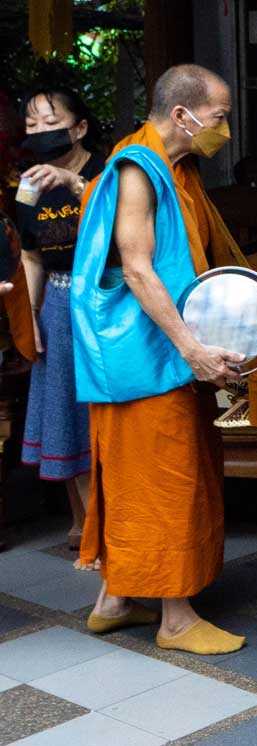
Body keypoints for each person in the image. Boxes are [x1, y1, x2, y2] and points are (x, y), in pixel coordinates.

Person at [74, 64, 248, 655]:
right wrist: (192, 349)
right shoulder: (139, 170)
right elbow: (139, 267)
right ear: (183, 115)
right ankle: (175, 619)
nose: (225, 128)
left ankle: (115, 598)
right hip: (149, 356)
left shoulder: (172, 165)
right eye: (220, 117)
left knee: (136, 477)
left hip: (153, 352)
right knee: (167, 479)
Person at [16, 88, 105, 564]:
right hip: (56, 300)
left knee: (101, 414)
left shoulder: (107, 172)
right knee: (65, 415)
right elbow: (31, 254)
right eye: (31, 126)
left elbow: (120, 227)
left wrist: (72, 182)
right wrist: (31, 314)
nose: (39, 134)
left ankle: (103, 532)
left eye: (49, 122)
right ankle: (86, 526)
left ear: (80, 127)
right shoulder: (28, 184)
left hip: (104, 300)